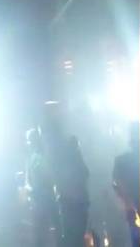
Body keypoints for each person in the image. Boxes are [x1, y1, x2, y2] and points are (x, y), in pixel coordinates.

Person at [41, 102, 89, 247]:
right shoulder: (62, 145)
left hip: (72, 198)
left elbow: (84, 172)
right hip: (73, 199)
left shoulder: (54, 145)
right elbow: (83, 172)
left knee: (73, 237)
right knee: (74, 237)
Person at [26, 127, 58, 247]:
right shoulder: (30, 160)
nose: (29, 143)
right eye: (29, 141)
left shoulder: (45, 156)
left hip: (47, 198)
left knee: (54, 231)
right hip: (38, 200)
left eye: (31, 140)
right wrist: (31, 191)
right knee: (41, 234)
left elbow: (50, 177)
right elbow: (28, 181)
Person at [113, 124, 140, 247]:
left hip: (131, 208)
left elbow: (116, 184)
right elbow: (116, 184)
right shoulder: (122, 161)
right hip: (132, 208)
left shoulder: (121, 161)